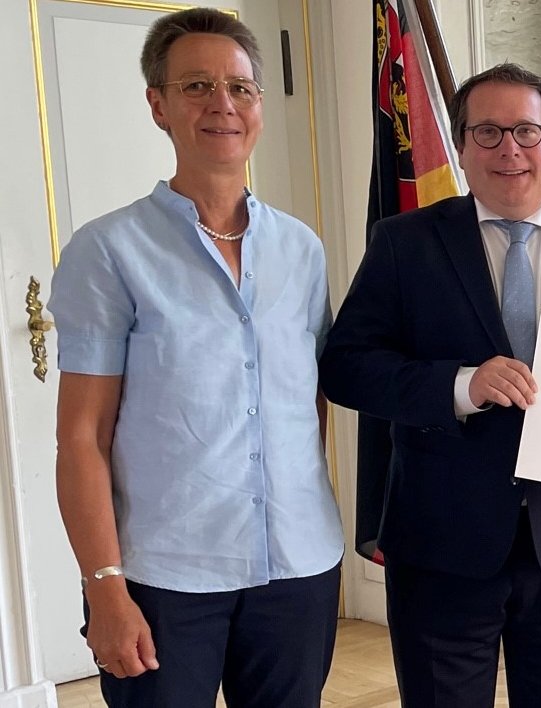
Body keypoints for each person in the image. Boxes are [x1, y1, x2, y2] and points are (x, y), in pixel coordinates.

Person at [318, 63, 541, 708]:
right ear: (460, 148)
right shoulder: (404, 244)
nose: (510, 149)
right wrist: (458, 385)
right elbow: (346, 365)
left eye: (528, 131)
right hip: (442, 546)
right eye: (487, 132)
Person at [49, 8, 342, 706]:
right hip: (166, 576)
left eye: (240, 87)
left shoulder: (301, 249)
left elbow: (311, 402)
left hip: (298, 568)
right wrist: (105, 587)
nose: (223, 105)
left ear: (260, 105)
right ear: (158, 105)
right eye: (197, 86)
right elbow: (81, 438)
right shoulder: (109, 251)